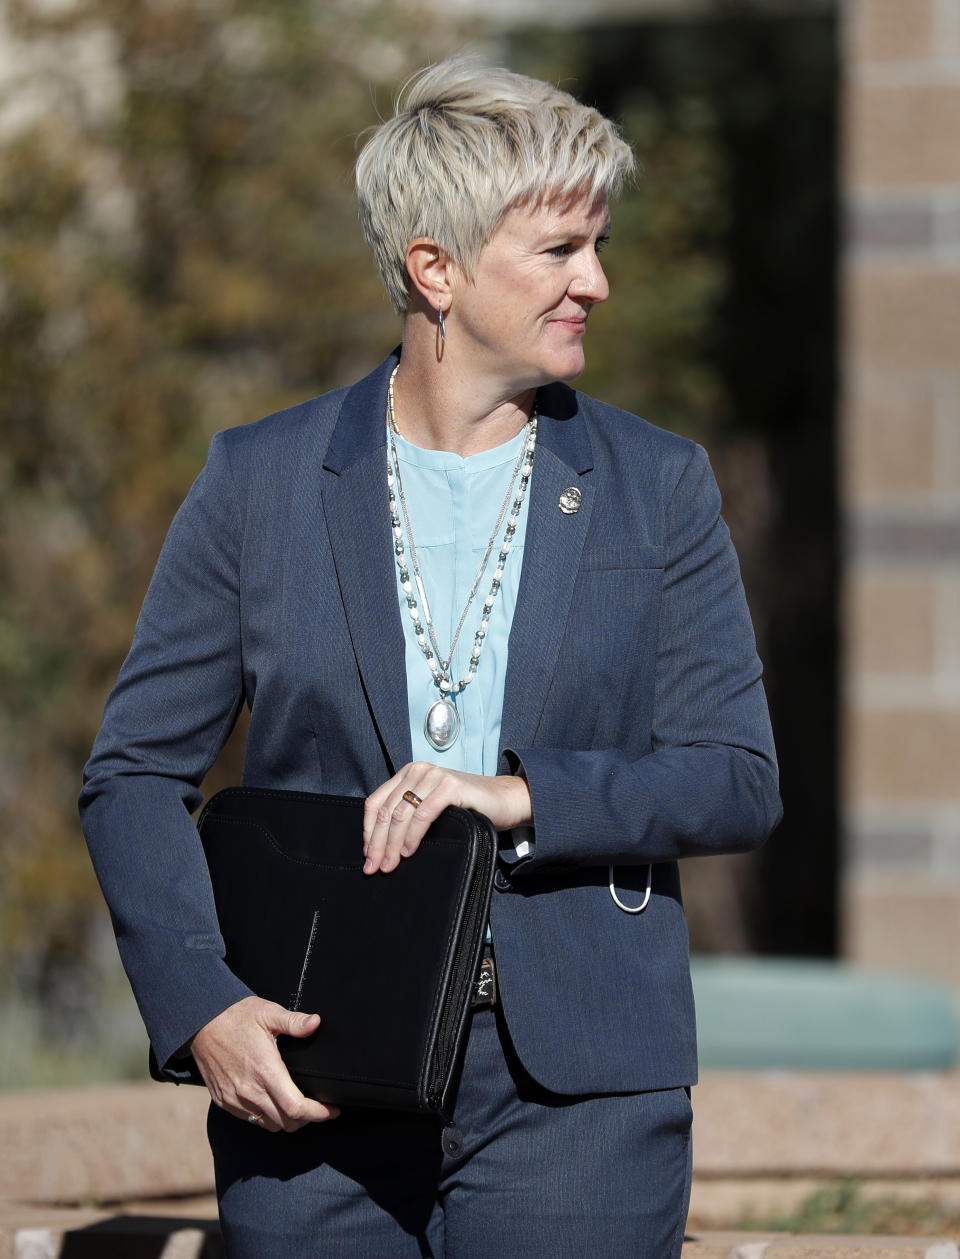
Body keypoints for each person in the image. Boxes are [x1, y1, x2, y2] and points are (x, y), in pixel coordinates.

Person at [80, 58, 781, 1259]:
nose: (596, 283)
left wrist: (519, 792)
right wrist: (201, 1003)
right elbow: (132, 771)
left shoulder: (656, 486)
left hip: (580, 1099)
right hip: (316, 1073)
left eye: (597, 245)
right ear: (434, 268)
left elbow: (734, 773)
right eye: (560, 250)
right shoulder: (259, 482)